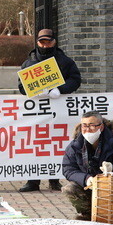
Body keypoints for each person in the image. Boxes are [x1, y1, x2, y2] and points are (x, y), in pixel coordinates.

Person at [18, 28, 82, 192]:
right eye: (42, 42)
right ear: (37, 43)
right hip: (35, 114)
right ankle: (33, 181)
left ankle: (54, 180)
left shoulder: (65, 61)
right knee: (35, 144)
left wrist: (60, 90)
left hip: (57, 112)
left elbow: (75, 80)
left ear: (54, 42)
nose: (45, 45)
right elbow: (21, 86)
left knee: (55, 143)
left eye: (48, 41)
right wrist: (34, 91)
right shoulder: (28, 63)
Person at [62, 111, 113, 222]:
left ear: (101, 127)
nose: (87, 129)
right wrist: (86, 179)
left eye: (92, 125)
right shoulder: (75, 145)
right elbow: (68, 169)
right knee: (70, 188)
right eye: (84, 125)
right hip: (89, 187)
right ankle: (86, 213)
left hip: (112, 186)